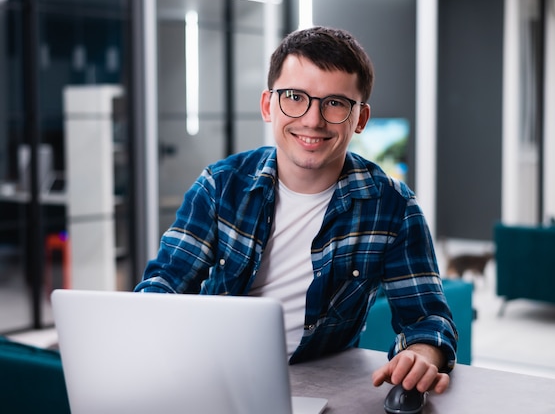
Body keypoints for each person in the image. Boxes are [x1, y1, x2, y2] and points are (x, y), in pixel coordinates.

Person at [135, 26, 457, 395]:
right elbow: (163, 286)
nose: (312, 120)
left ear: (361, 118)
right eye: (294, 97)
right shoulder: (220, 185)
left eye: (334, 102)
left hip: (316, 389)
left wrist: (421, 354)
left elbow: (428, 319)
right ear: (268, 105)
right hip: (213, 380)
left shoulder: (393, 207)